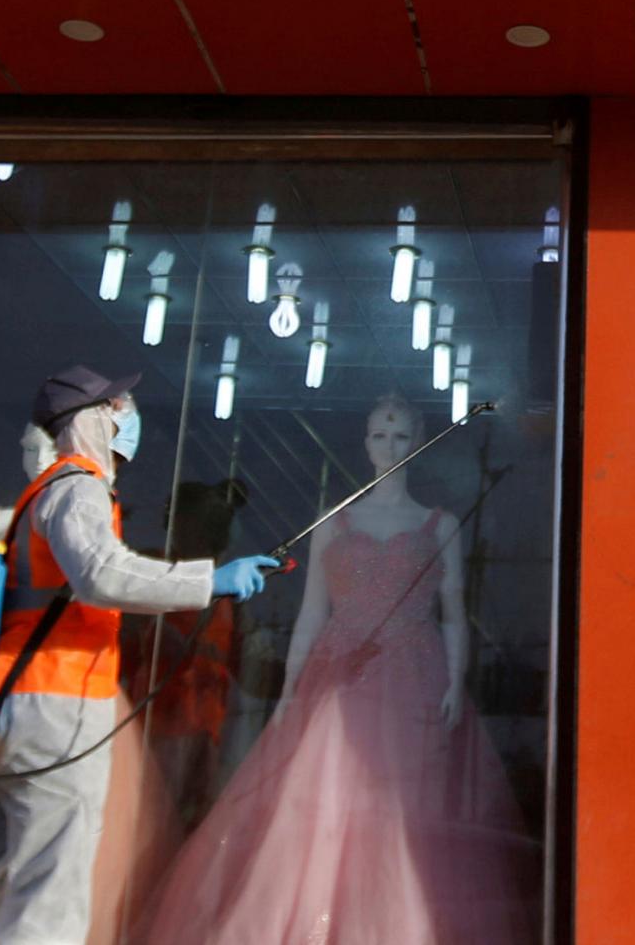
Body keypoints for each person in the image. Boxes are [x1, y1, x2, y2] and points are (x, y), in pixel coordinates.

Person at [0, 365, 279, 945]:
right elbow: (100, 574)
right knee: (52, 888)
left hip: (15, 697)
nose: (127, 416)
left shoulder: (38, 494)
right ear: (90, 418)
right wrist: (209, 582)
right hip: (61, 703)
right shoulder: (79, 486)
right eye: (118, 405)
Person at [136, 394, 535, 944]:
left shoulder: (439, 524)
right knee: (317, 803)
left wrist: (455, 679)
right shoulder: (333, 521)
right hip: (339, 674)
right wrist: (290, 691)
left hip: (415, 677)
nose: (388, 447)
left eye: (398, 437)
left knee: (397, 808)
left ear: (416, 442)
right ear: (365, 442)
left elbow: (454, 615)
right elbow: (308, 614)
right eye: (377, 436)